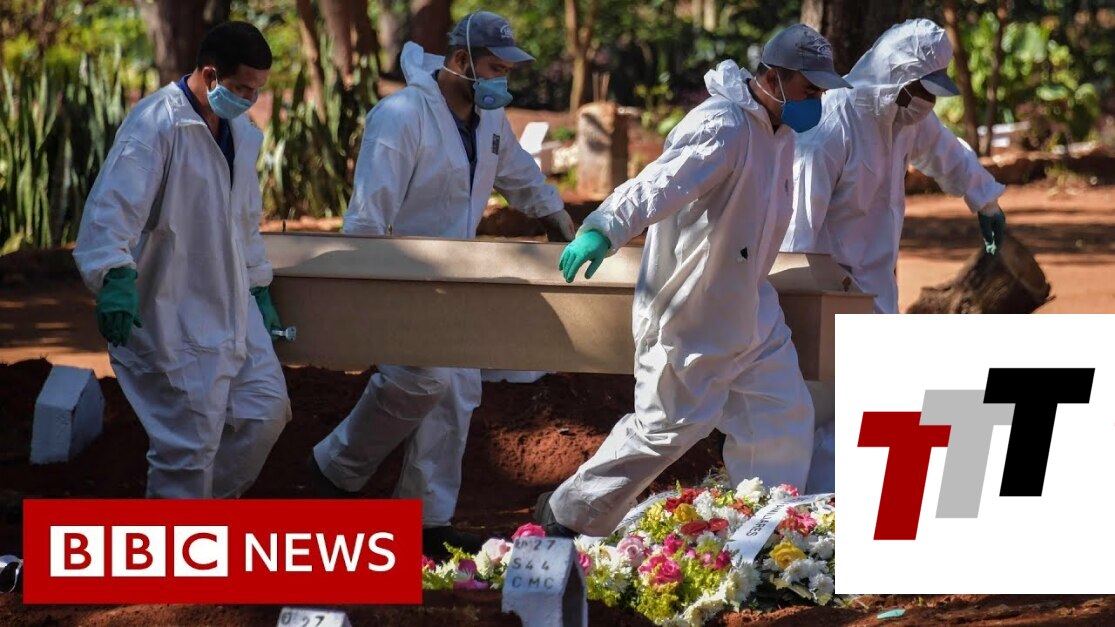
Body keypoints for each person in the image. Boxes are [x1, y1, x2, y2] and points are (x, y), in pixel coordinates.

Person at [535, 25, 851, 538]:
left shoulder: (779, 133)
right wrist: (603, 228)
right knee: (666, 430)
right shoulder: (722, 126)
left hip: (752, 310)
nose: (816, 101)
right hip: (693, 314)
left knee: (782, 416)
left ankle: (765, 536)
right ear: (774, 77)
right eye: (809, 89)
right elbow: (658, 183)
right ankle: (566, 512)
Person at [308, 11, 576, 556]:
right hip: (402, 278)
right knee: (420, 380)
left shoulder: (489, 119)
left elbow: (520, 176)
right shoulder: (401, 117)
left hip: (458, 280)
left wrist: (558, 221)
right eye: (495, 69)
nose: (503, 82)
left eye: (508, 71)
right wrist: (364, 290)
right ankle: (334, 471)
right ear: (460, 61)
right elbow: (367, 217)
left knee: (457, 390)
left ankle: (427, 523)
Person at [73, 22, 291, 498]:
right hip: (171, 311)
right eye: (241, 88)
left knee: (264, 411)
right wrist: (113, 276)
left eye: (257, 89)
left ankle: (201, 518)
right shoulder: (156, 124)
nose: (250, 99)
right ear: (210, 75)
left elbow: (244, 218)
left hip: (232, 304)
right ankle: (180, 538)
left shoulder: (241, 133)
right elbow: (113, 209)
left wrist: (257, 284)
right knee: (188, 449)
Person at [782, 18, 1008, 315]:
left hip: (878, 289)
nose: (930, 102)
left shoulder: (904, 117)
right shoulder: (831, 130)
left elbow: (946, 151)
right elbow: (797, 234)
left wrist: (986, 200)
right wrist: (798, 309)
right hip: (828, 293)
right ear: (898, 76)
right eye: (924, 90)